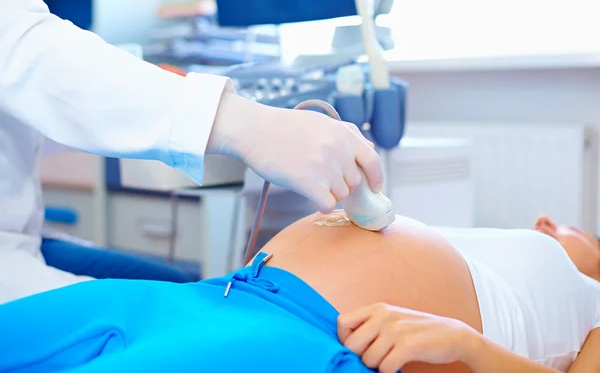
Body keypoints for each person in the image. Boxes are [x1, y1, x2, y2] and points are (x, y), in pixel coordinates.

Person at [0, 0, 383, 303]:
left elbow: (23, 105)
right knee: (183, 314)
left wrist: (167, 97)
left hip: (20, 239)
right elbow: (31, 54)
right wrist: (243, 124)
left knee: (175, 285)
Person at [0, 212, 598, 372]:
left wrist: (467, 345)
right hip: (220, 295)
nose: (548, 223)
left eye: (574, 230)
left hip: (305, 337)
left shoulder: (592, 310)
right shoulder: (497, 239)